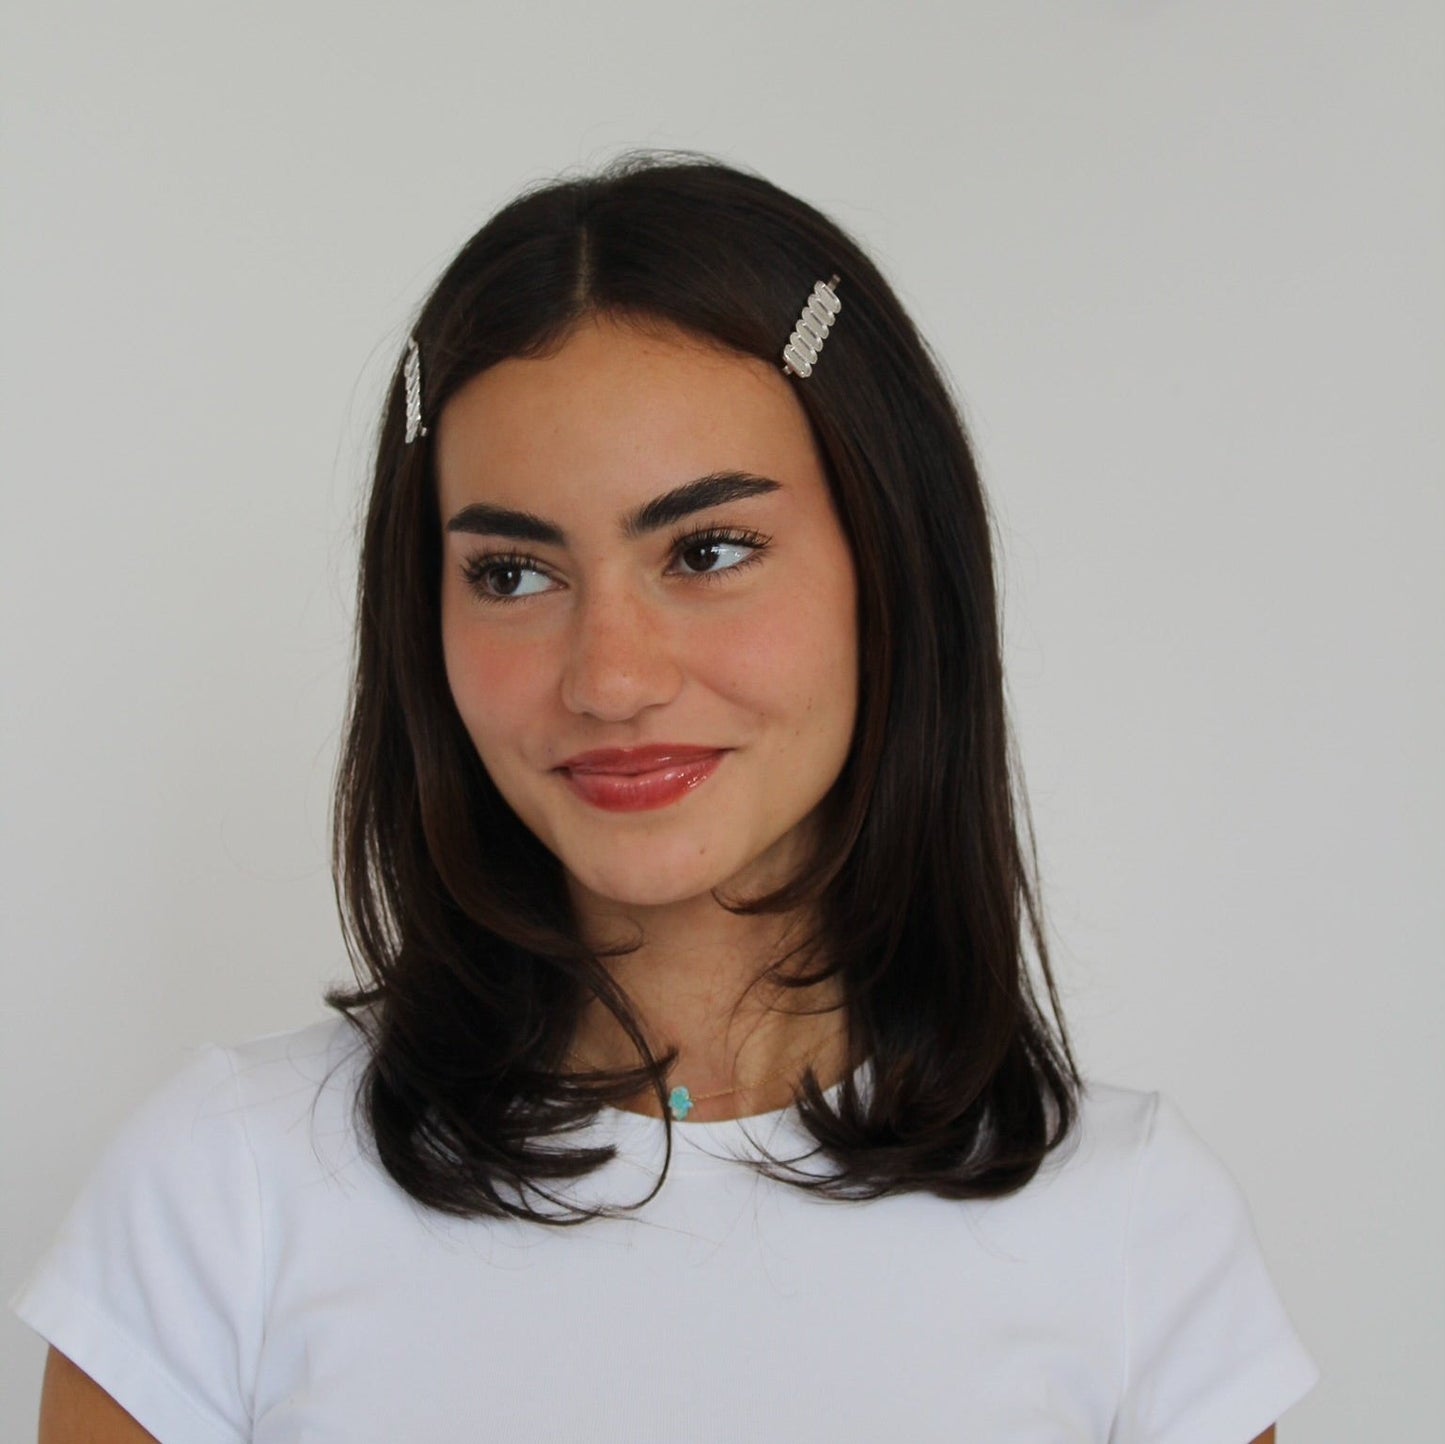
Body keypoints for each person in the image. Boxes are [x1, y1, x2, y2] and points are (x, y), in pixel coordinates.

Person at [12, 151, 1320, 1442]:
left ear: (893, 570)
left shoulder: (1128, 1231)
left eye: (708, 550)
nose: (611, 677)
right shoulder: (230, 1190)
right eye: (513, 573)